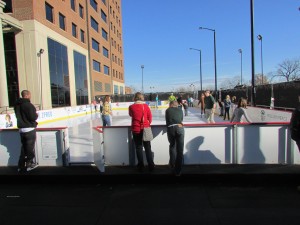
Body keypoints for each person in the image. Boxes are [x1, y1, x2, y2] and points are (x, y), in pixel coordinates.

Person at [129, 92, 155, 172]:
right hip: (145, 128)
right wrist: (147, 124)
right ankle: (151, 165)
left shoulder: (131, 107)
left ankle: (140, 165)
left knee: (138, 147)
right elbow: (150, 118)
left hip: (136, 129)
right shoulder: (146, 106)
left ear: (135, 98)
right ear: (142, 98)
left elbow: (131, 115)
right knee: (147, 148)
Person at [14, 90, 39, 172]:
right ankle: (29, 164)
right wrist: (36, 115)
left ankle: (20, 165)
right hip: (29, 128)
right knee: (29, 147)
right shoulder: (28, 105)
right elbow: (33, 117)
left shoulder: (17, 105)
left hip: (21, 129)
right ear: (27, 95)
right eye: (30, 95)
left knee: (24, 148)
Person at [165, 100, 184, 176]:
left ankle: (172, 165)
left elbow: (167, 121)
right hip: (180, 128)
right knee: (180, 150)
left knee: (172, 146)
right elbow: (181, 119)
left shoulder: (168, 110)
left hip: (171, 128)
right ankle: (178, 170)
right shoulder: (180, 110)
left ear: (171, 105)